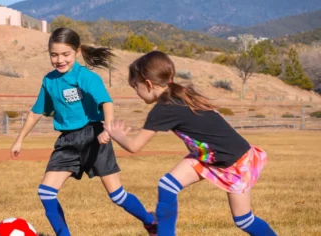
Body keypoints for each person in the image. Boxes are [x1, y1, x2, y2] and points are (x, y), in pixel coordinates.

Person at [103, 51, 277, 236]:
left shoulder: (164, 108)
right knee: (167, 185)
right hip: (207, 157)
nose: (136, 92)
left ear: (148, 84)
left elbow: (134, 146)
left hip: (235, 162)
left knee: (243, 220)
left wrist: (116, 134)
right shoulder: (179, 94)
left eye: (134, 86)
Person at [10, 28, 157, 236]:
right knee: (46, 192)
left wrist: (107, 128)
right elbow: (36, 112)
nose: (59, 59)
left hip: (94, 136)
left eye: (65, 54)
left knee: (116, 195)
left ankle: (151, 222)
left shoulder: (87, 77)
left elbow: (106, 102)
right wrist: (19, 140)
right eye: (54, 54)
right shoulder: (49, 81)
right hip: (67, 142)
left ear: (76, 52)